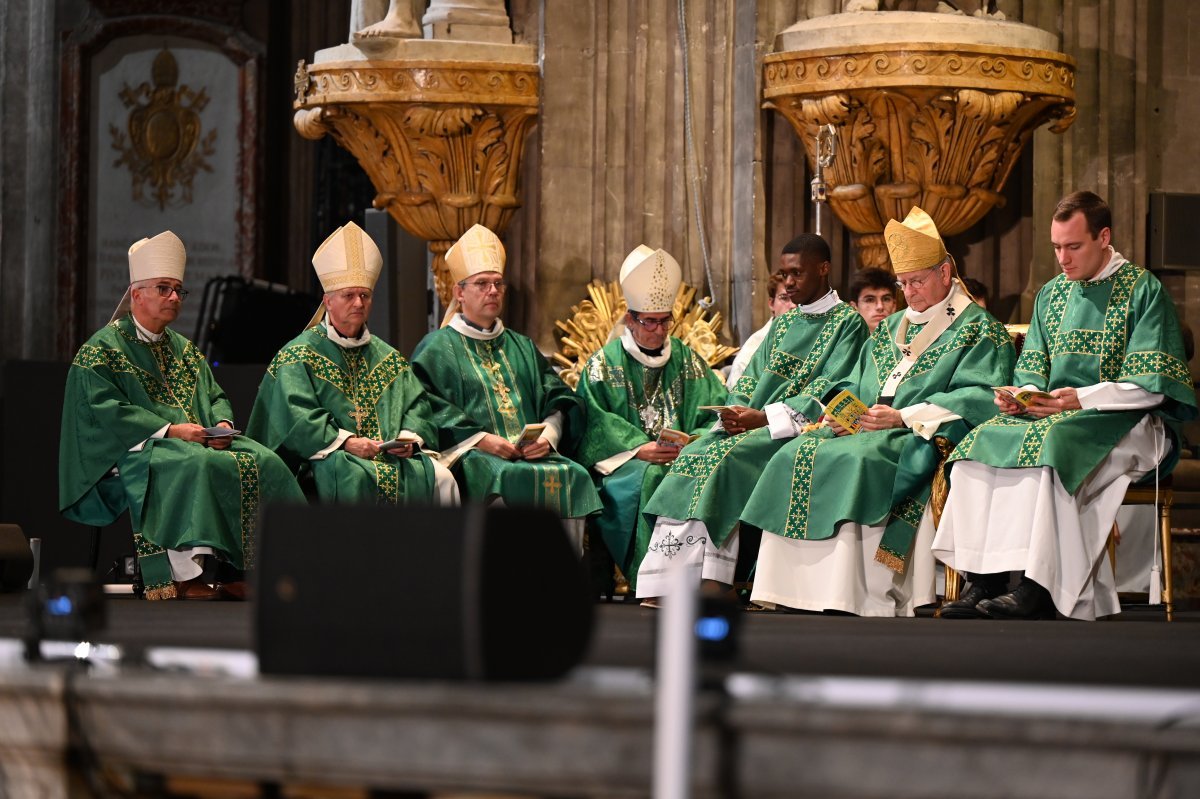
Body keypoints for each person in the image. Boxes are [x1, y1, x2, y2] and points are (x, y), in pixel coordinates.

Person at [932, 191, 1197, 620]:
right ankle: (985, 577)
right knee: (981, 439)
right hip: (1055, 415)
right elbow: (1033, 367)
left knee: (1054, 443)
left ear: (1104, 236)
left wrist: (1082, 399)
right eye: (1056, 247)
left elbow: (1154, 387)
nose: (1063, 259)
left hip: (1131, 421)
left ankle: (1040, 586)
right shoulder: (1051, 295)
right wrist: (1025, 396)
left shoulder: (1143, 291)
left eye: (1073, 247)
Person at [741, 207, 1015, 616]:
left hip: (916, 435)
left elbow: (978, 397)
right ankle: (788, 588)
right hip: (867, 427)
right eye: (903, 283)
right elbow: (857, 384)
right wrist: (840, 413)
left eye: (917, 281)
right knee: (796, 451)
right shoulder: (889, 327)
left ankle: (847, 593)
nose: (909, 293)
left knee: (856, 460)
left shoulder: (979, 329)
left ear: (944, 273)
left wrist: (903, 416)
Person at [58, 231, 305, 600]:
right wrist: (171, 430)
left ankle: (253, 571)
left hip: (193, 442)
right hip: (132, 450)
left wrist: (220, 424)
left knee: (263, 462)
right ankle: (185, 576)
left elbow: (215, 394)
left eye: (178, 290)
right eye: (164, 288)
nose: (174, 297)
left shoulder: (184, 349)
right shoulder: (102, 351)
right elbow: (102, 411)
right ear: (136, 293)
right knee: (191, 463)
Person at [635, 233, 869, 602]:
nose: (789, 283)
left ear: (823, 269)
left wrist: (763, 418)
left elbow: (834, 386)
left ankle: (715, 579)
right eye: (784, 274)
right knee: (697, 453)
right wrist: (732, 414)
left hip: (794, 431)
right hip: (755, 424)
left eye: (797, 274)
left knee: (728, 459)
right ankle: (669, 580)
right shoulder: (783, 325)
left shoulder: (848, 324)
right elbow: (748, 382)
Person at [411, 224, 601, 550]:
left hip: (532, 454)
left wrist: (549, 437)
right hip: (473, 455)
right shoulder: (437, 348)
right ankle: (503, 586)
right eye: (482, 284)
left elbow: (558, 396)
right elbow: (423, 405)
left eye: (498, 284)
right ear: (459, 292)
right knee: (505, 477)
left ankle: (560, 588)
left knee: (574, 475)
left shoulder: (522, 346)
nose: (493, 291)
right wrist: (482, 439)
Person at [246, 222, 458, 506]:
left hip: (389, 456)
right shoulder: (298, 356)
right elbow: (295, 418)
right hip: (326, 458)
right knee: (353, 476)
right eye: (349, 295)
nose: (358, 303)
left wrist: (408, 438)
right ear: (328, 301)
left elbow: (416, 406)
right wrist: (345, 442)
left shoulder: (389, 358)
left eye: (365, 295)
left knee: (442, 476)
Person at [575, 245, 728, 589]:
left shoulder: (688, 361)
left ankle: (702, 581)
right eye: (650, 322)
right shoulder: (604, 364)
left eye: (665, 321)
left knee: (705, 472)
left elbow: (715, 411)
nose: (660, 330)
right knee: (649, 478)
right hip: (626, 466)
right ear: (630, 319)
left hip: (682, 457)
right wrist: (637, 449)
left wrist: (695, 442)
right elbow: (594, 424)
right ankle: (653, 583)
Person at [726, 271, 796, 387]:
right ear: (771, 304)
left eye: (796, 298)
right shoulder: (753, 349)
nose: (793, 305)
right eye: (784, 298)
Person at [848, 267, 899, 332]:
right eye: (870, 300)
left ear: (894, 305)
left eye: (886, 299)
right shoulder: (842, 341)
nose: (880, 307)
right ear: (854, 308)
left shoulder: (909, 340)